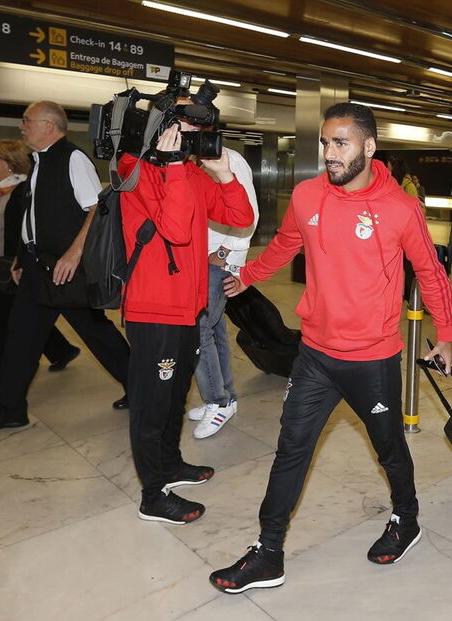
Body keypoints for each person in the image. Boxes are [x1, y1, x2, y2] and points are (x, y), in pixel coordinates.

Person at [210, 103, 452, 592]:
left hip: (373, 358)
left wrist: (445, 333)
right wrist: (249, 274)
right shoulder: (307, 196)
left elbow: (430, 271)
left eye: (341, 143)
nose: (329, 153)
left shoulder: (399, 207)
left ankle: (406, 518)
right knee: (291, 449)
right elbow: (286, 243)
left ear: (369, 146)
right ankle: (268, 552)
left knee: (389, 448)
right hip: (316, 355)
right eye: (325, 142)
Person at [119, 112, 254, 524]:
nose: (195, 138)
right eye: (187, 129)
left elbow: (241, 218)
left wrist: (225, 175)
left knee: (176, 395)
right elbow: (176, 230)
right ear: (161, 130)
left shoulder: (192, 173)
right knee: (152, 404)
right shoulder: (134, 169)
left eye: (198, 132)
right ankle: (152, 495)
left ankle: (169, 464)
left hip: (188, 307)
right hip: (154, 308)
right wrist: (175, 166)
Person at [0, 102, 131, 434]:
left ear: (48, 126)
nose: (22, 127)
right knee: (20, 339)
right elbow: (32, 218)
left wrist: (74, 254)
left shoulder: (73, 158)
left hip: (65, 269)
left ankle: (140, 388)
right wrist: (20, 257)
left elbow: (96, 209)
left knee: (97, 333)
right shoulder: (37, 164)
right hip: (35, 268)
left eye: (27, 121)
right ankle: (9, 410)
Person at [0, 140, 80, 398]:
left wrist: (18, 264)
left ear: (9, 163)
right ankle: (61, 350)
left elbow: (20, 235)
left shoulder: (21, 191)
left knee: (1, 324)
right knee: (14, 321)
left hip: (8, 268)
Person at [187, 147, 259, 439]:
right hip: (197, 260)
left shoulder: (228, 159)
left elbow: (249, 213)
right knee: (214, 329)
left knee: (199, 329)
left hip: (218, 259)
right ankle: (224, 396)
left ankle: (218, 401)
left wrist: (224, 253)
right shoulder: (190, 160)